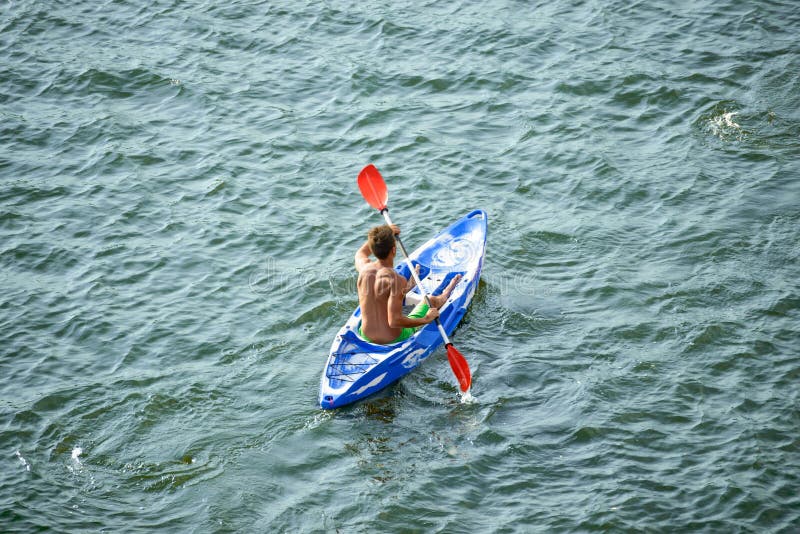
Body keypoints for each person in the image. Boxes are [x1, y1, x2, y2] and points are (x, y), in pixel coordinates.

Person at [355, 224, 461, 344]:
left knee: (390, 294)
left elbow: (360, 252)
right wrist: (426, 319)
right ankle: (448, 291)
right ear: (394, 250)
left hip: (365, 336)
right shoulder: (396, 280)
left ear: (373, 249)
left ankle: (410, 286)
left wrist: (382, 235)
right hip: (393, 339)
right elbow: (394, 321)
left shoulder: (363, 268)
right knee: (431, 300)